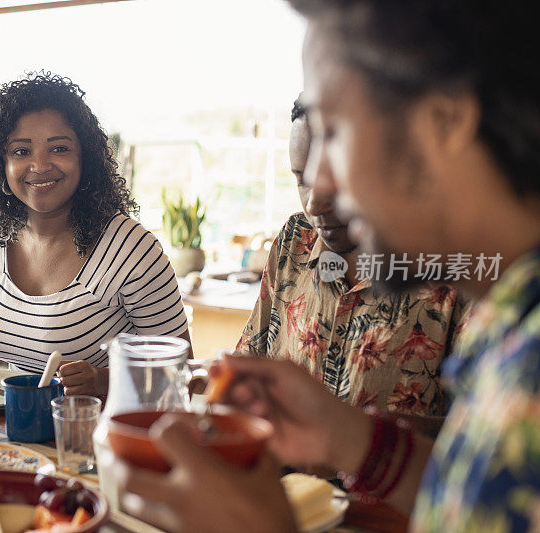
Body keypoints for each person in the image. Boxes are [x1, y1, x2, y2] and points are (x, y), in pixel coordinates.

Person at [114, 1, 540, 531]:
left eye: (335, 133)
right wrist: (354, 440)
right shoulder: (509, 319)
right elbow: (475, 495)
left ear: (446, 118)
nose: (319, 188)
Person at [0, 73, 190, 396]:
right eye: (21, 151)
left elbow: (182, 373)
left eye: (59, 148)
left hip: (92, 434)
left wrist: (104, 381)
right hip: (13, 428)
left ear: (86, 158)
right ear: (1, 163)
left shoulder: (131, 248)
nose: (39, 165)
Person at [237, 94, 469, 428]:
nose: (314, 204)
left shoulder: (452, 270)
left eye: (335, 179)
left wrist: (347, 435)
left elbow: (474, 436)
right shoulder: (295, 242)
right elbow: (250, 361)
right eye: (301, 178)